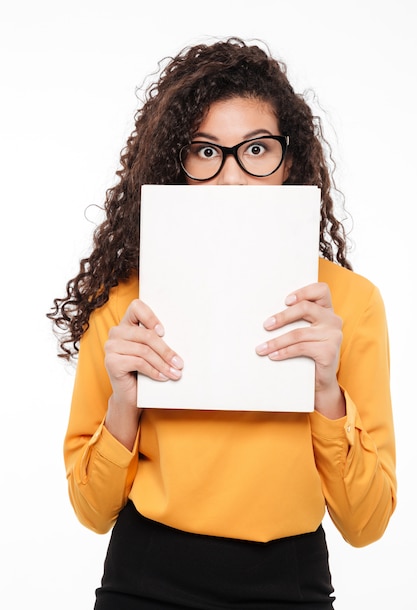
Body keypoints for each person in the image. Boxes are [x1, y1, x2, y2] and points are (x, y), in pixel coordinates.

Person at [48, 37, 397, 609]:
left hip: (290, 585)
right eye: (206, 151)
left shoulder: (347, 305)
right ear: (176, 166)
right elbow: (90, 512)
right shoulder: (126, 303)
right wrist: (123, 403)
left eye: (257, 150)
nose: (232, 177)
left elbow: (367, 524)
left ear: (292, 163)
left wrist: (328, 393)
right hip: (144, 580)